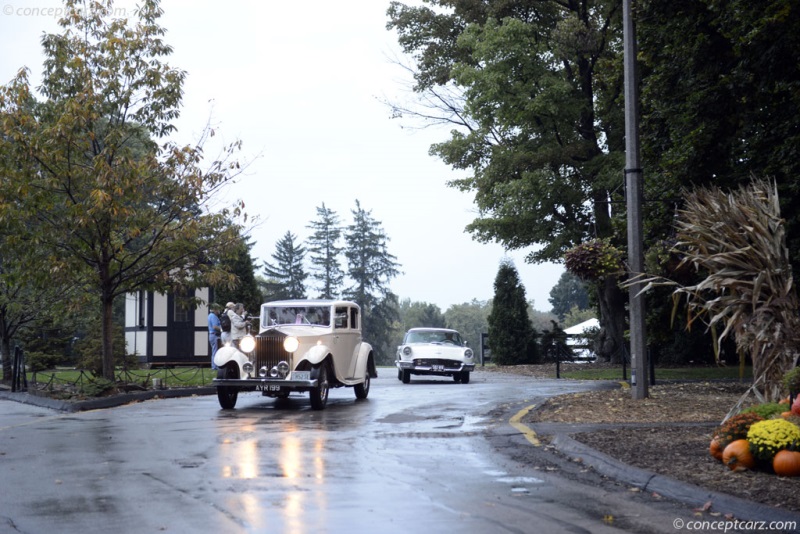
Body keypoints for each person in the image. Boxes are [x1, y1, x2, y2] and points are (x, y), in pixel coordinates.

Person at [208, 303, 222, 369]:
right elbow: (215, 326)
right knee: (215, 351)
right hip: (215, 335)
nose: (219, 310)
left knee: (214, 350)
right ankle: (214, 366)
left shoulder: (210, 315)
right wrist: (222, 329)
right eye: (218, 309)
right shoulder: (213, 316)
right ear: (215, 309)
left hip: (212, 335)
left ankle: (214, 366)